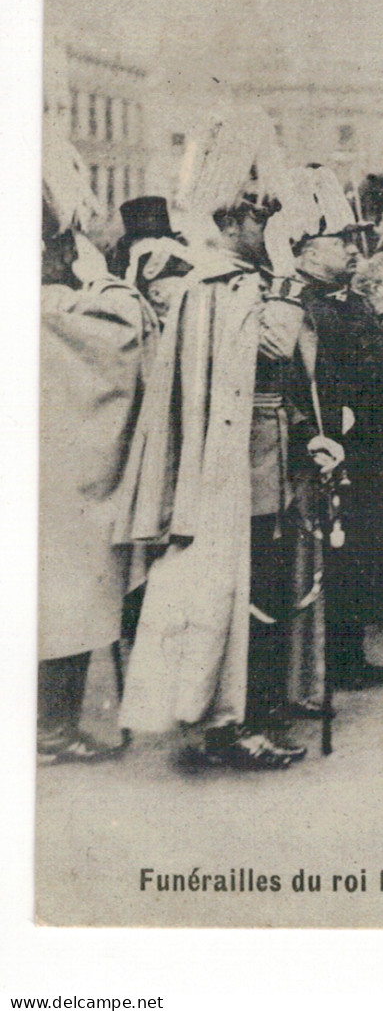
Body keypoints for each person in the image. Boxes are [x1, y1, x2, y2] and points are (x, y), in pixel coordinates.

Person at [118, 110, 343, 770]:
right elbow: (264, 353)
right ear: (230, 221)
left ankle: (255, 714)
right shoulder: (216, 288)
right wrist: (290, 289)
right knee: (238, 599)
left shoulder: (243, 286)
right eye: (259, 221)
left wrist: (308, 439)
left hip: (266, 466)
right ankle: (229, 723)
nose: (267, 230)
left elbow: (274, 387)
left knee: (267, 597)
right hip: (228, 476)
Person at [38, 155, 157, 765]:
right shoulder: (67, 312)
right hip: (64, 490)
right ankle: (52, 730)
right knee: (67, 597)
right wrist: (109, 281)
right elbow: (127, 333)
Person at [286, 165, 383, 692]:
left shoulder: (347, 301)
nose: (353, 252)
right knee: (336, 554)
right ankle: (333, 659)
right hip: (336, 448)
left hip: (370, 448)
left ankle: (349, 653)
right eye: (341, 243)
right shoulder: (302, 307)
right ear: (310, 252)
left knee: (361, 553)